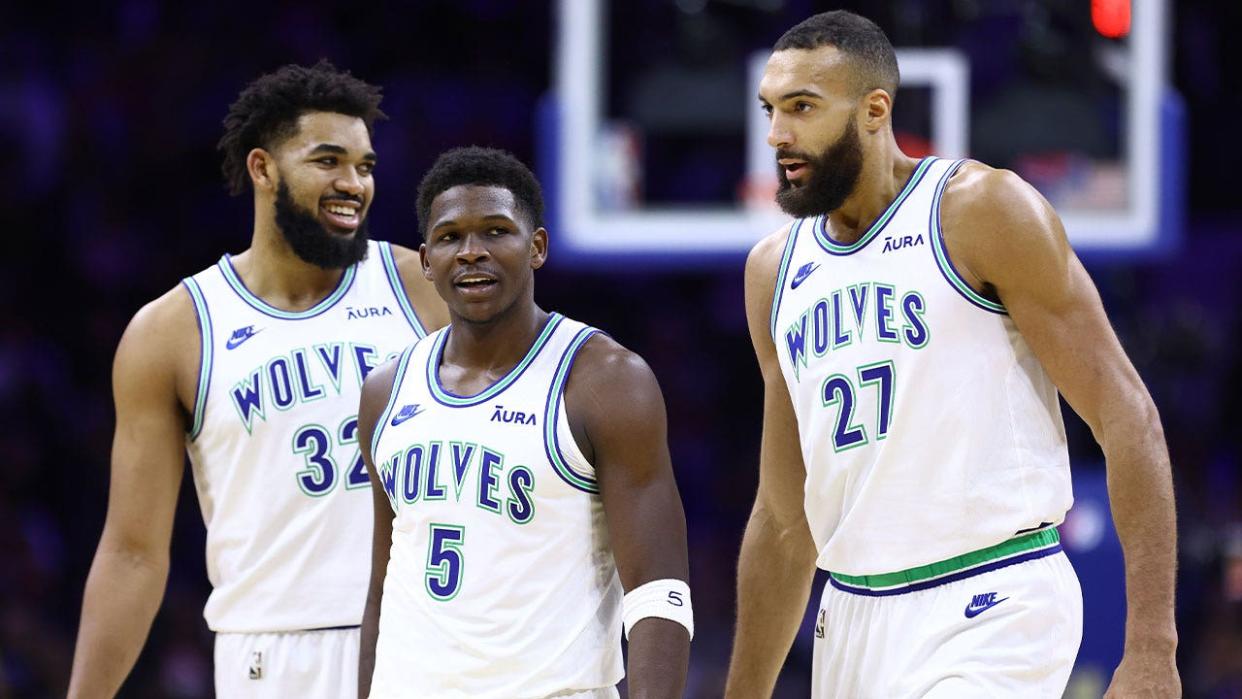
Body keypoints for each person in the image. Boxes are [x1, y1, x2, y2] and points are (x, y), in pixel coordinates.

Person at [725, 11, 1179, 698]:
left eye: (802, 108)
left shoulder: (981, 211)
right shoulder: (773, 272)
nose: (776, 135)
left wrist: (1151, 645)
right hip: (850, 617)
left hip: (993, 595)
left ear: (875, 110)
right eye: (770, 110)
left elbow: (1127, 417)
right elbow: (785, 520)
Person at [68, 60, 448, 698]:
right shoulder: (173, 332)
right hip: (269, 656)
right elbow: (133, 553)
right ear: (262, 168)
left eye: (365, 166)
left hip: (430, 635)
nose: (353, 183)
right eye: (328, 160)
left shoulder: (425, 288)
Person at [355, 146, 692, 698]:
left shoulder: (605, 381)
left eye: (495, 231)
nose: (470, 253)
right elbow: (381, 588)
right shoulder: (386, 391)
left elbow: (659, 592)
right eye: (449, 238)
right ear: (425, 261)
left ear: (536, 247)